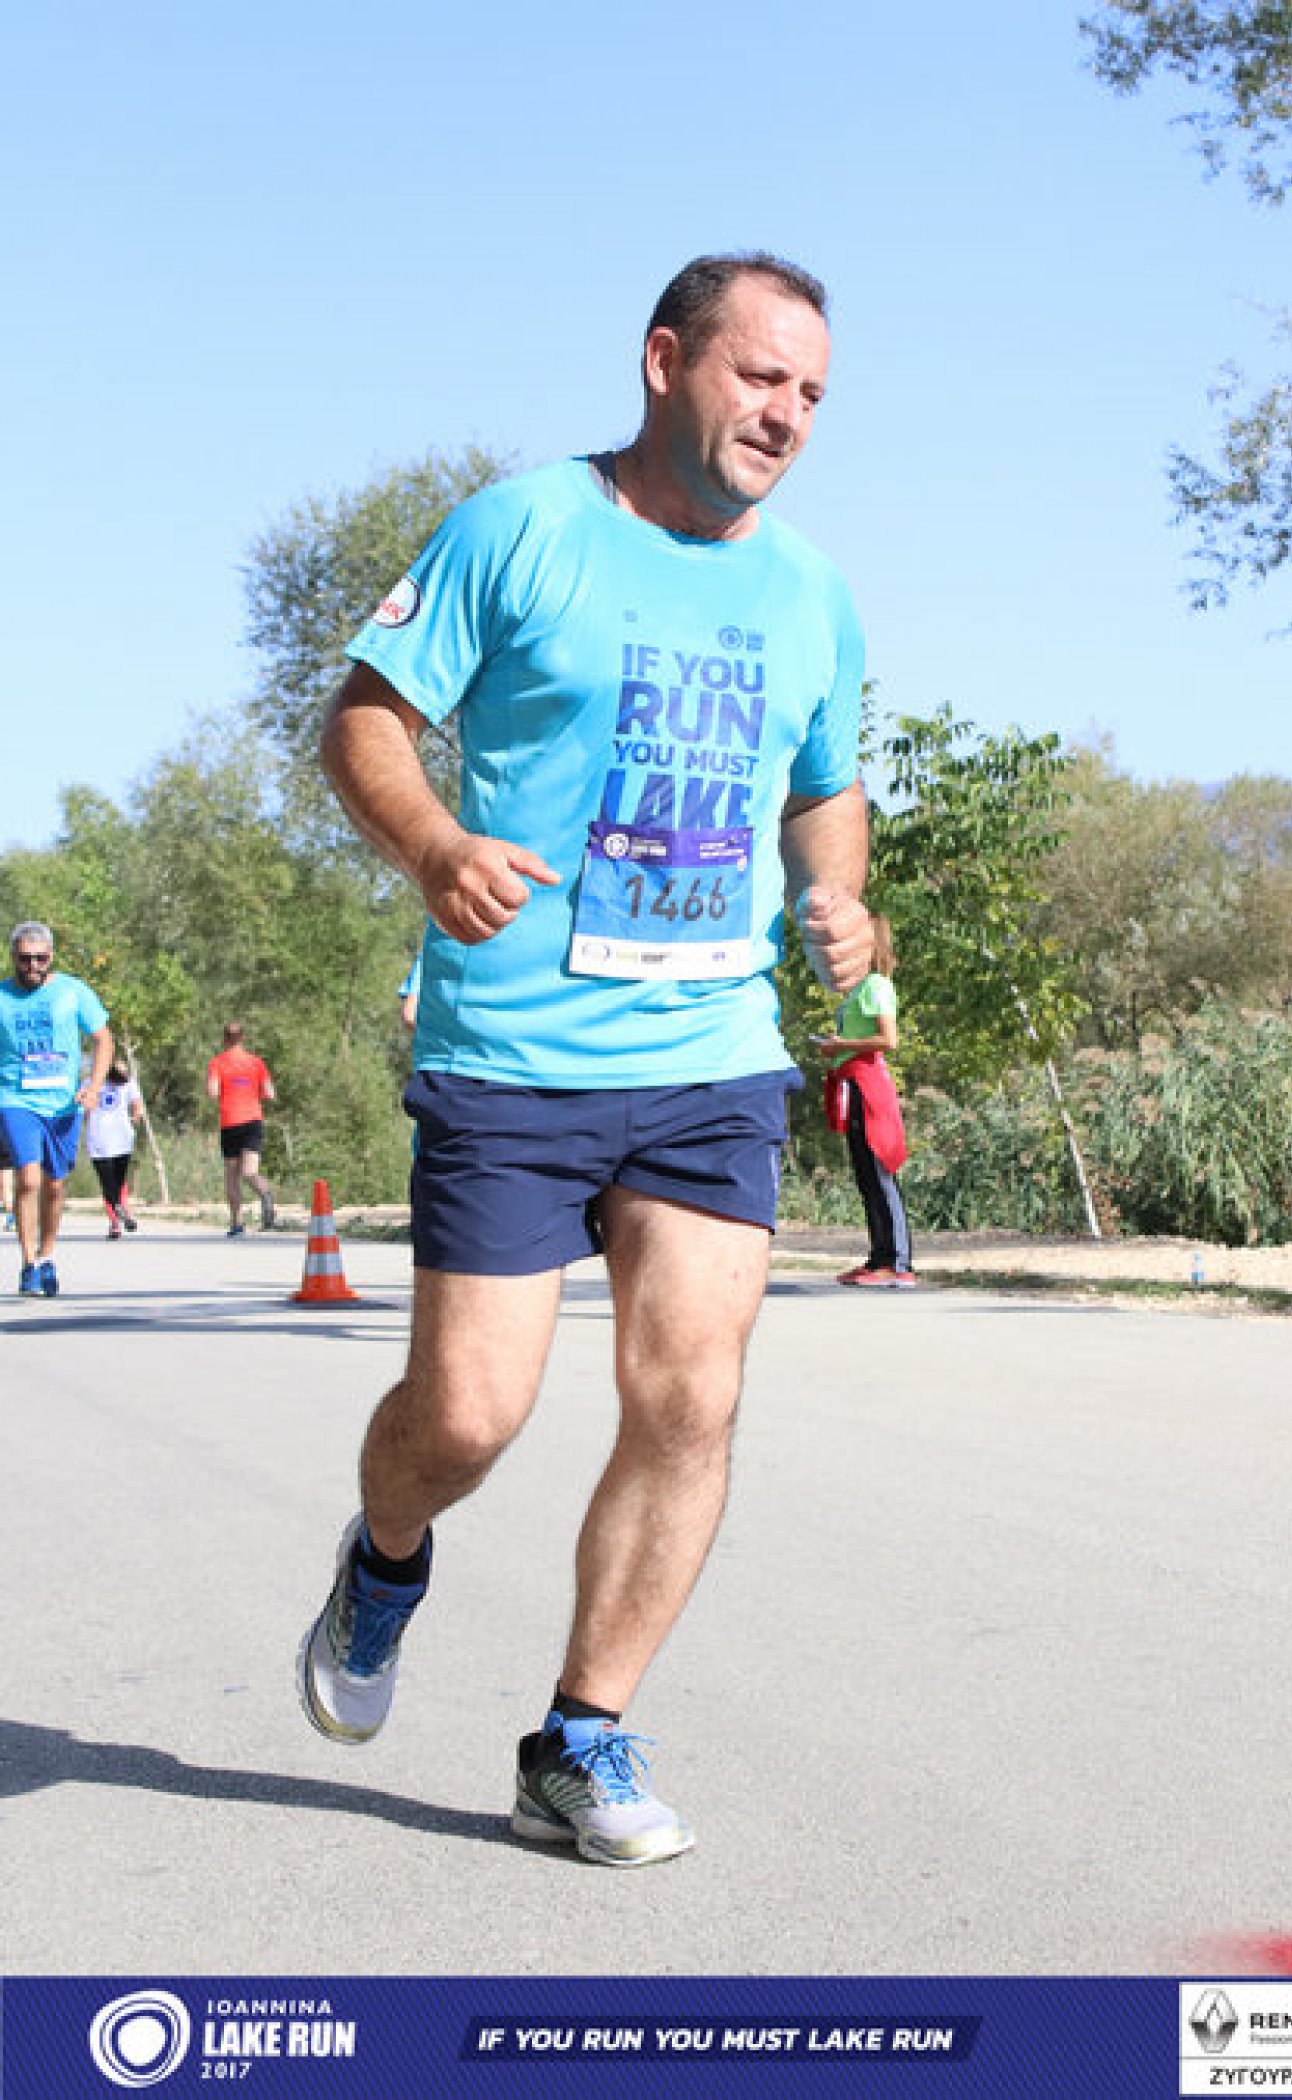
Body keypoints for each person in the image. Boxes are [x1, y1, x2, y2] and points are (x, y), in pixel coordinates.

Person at [299, 251, 873, 1867]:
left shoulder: (812, 593)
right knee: (469, 1417)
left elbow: (826, 786)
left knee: (691, 1394)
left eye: (814, 393)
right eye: (762, 376)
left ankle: (580, 1736)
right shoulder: (522, 529)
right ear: (665, 360)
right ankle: (386, 1556)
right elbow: (363, 718)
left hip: (711, 1053)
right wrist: (433, 848)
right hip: (513, 1055)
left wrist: (841, 896)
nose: (788, 415)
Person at [0, 921, 113, 1296]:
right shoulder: (2, 996)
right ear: (13, 957)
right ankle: (28, 1264)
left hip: (64, 1104)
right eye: (25, 958)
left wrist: (93, 1086)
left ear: (51, 956)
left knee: (54, 1184)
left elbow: (103, 1039)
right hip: (15, 1099)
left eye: (40, 958)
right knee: (29, 1179)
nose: (33, 965)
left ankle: (47, 1256)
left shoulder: (73, 991)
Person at [815, 913, 915, 1288]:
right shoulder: (858, 990)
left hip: (868, 1085)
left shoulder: (876, 986)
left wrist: (842, 1044)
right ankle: (879, 1258)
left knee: (879, 1170)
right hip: (851, 1082)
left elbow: (888, 1040)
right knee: (865, 1175)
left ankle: (899, 1262)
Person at [205, 1023, 277, 1237]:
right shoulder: (256, 1062)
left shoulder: (217, 1063)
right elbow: (270, 1093)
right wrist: (251, 1093)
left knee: (232, 1175)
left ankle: (237, 1223)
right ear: (242, 1038)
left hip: (230, 1122)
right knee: (249, 1172)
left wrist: (227, 1090)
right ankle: (265, 1193)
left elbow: (212, 1092)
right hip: (253, 1120)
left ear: (225, 1039)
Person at [85, 1059, 144, 1238]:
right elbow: (85, 1108)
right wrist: (135, 1117)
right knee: (112, 1181)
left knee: (113, 1182)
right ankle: (119, 1216)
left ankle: (118, 1216)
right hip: (104, 1139)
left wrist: (135, 1117)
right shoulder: (90, 1083)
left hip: (117, 1139)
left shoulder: (127, 1083)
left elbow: (137, 1103)